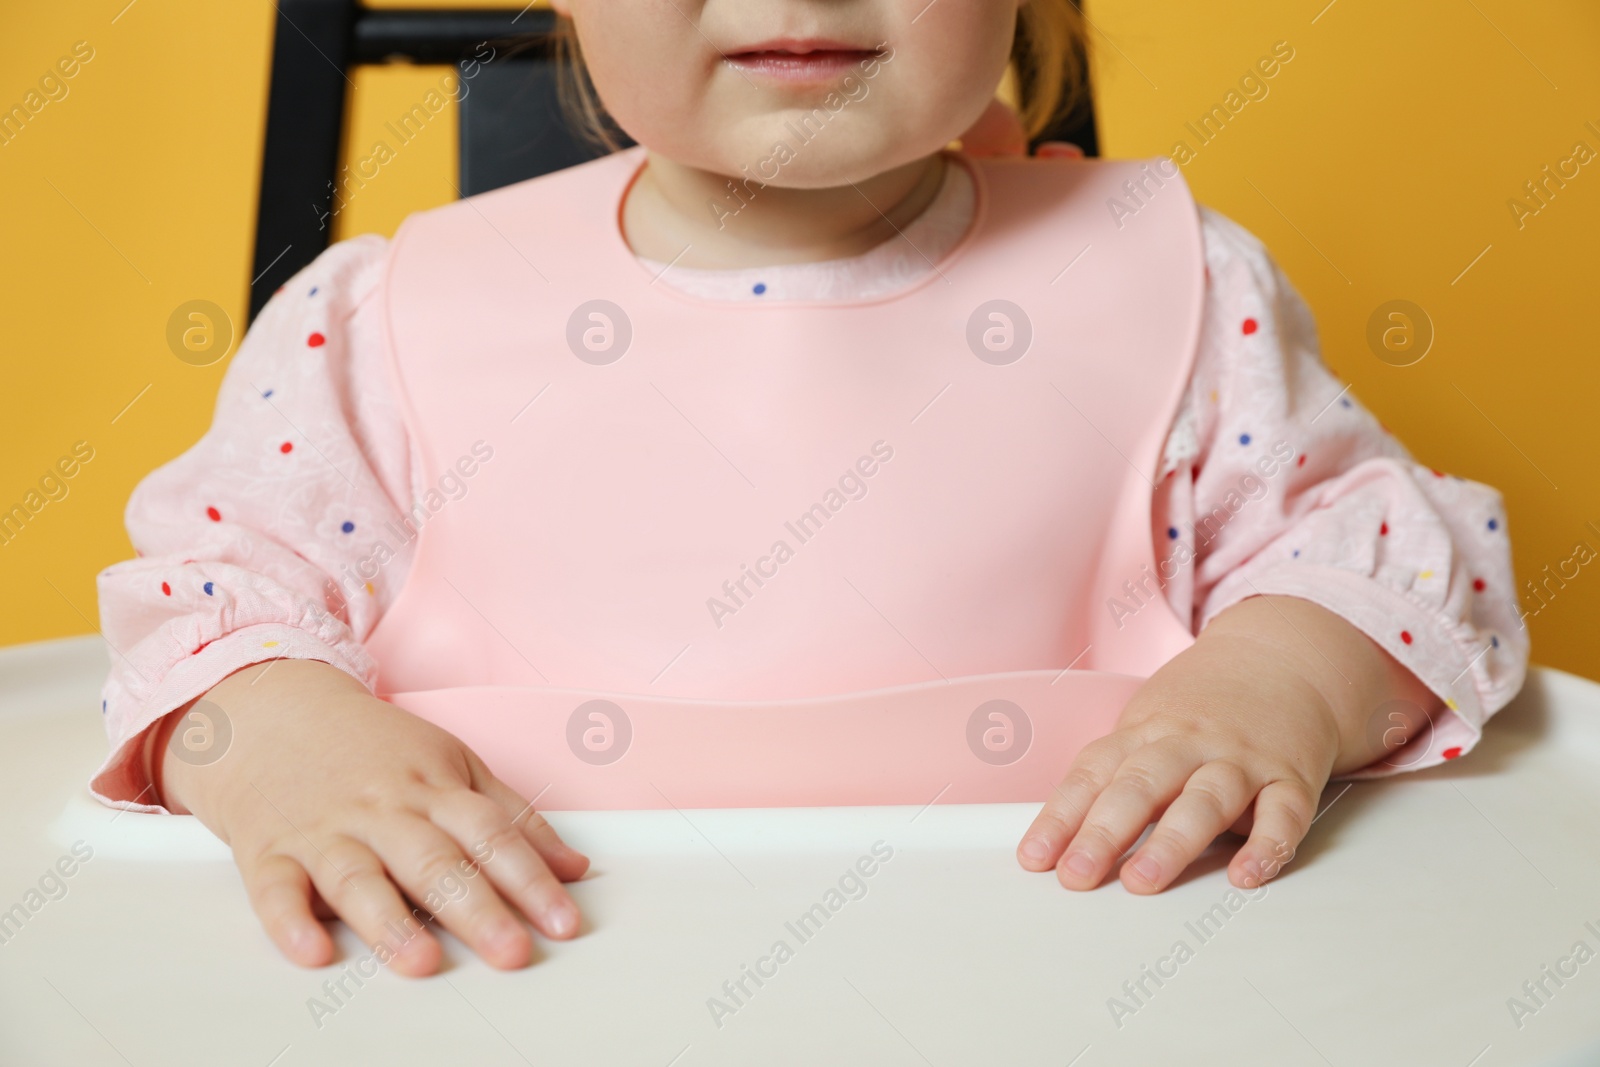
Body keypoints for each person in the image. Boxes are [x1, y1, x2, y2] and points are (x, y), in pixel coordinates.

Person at [93, 0, 1526, 978]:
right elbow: (213, 612)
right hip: (521, 991)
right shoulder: (389, 325)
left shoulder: (1178, 284)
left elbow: (1375, 558)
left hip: (1067, 986)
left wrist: (1277, 681)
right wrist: (280, 741)